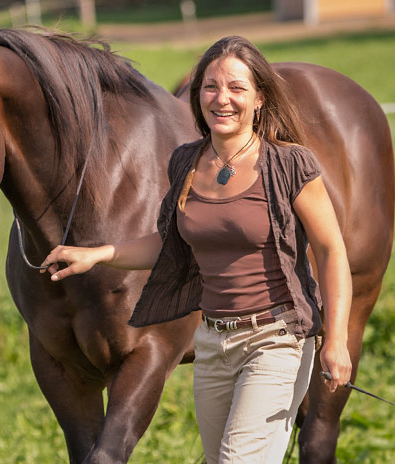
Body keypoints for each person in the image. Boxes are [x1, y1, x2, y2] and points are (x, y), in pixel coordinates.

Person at [40, 36, 352, 463]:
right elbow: (173, 245)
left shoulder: (290, 163)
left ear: (260, 98)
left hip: (276, 339)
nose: (222, 99)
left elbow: (332, 251)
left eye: (237, 88)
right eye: (211, 87)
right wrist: (98, 254)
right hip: (213, 345)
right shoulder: (186, 162)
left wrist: (335, 339)